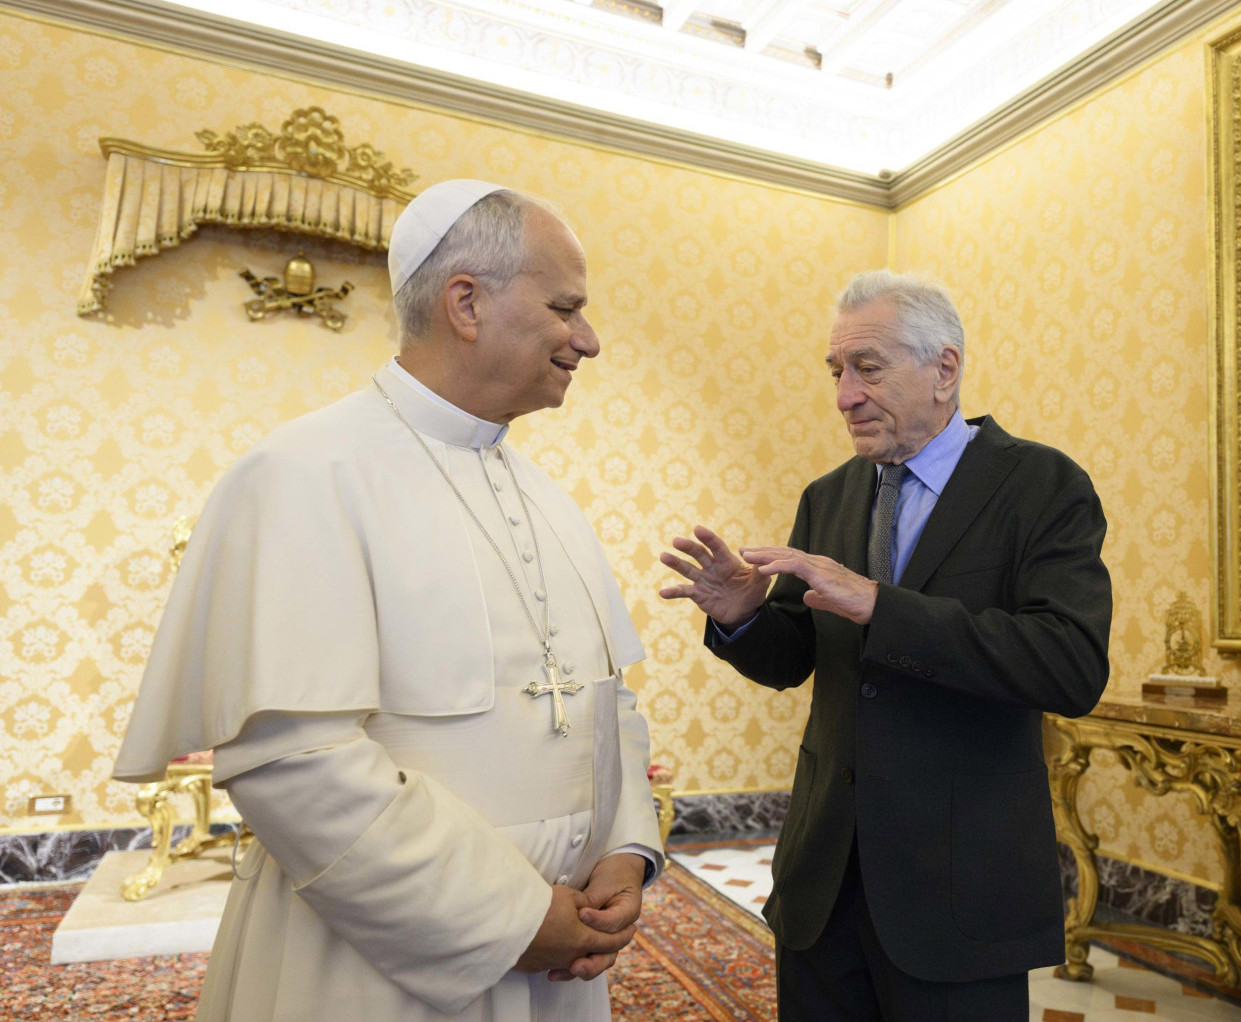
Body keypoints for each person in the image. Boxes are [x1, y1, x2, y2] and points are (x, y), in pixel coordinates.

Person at [113, 180, 664, 1022]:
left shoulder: (549, 497)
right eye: (564, 308)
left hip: (562, 953)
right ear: (466, 303)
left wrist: (625, 854)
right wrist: (509, 918)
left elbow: (607, 704)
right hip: (374, 963)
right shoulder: (301, 475)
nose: (586, 341)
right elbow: (294, 762)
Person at [658, 271, 1112, 1022]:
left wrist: (880, 606)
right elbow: (794, 657)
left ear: (944, 370)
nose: (844, 395)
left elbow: (1069, 665)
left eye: (867, 367)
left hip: (957, 889)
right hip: (821, 879)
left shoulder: (1040, 485)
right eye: (836, 371)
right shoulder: (828, 495)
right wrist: (742, 618)